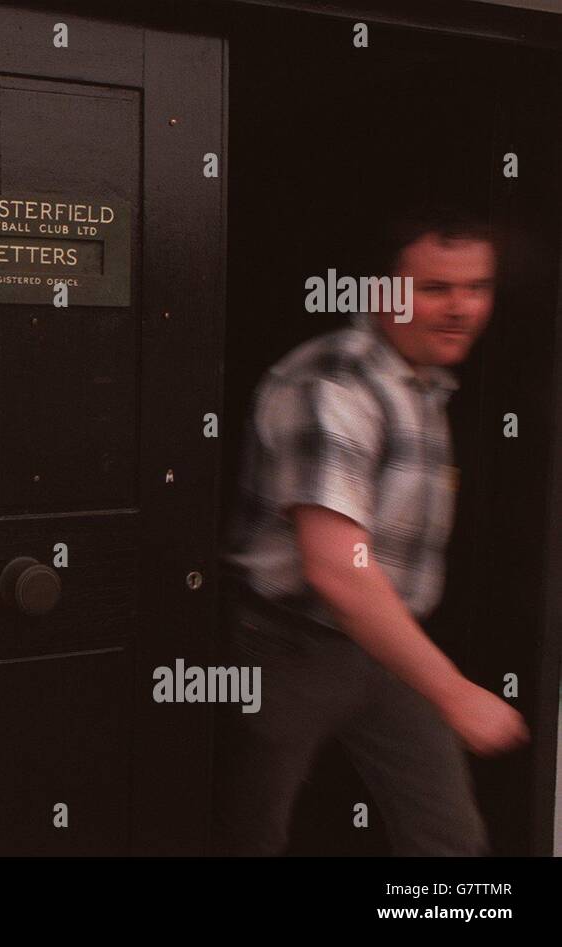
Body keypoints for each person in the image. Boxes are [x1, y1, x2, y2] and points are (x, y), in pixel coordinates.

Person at [211, 206, 529, 856]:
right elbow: (338, 568)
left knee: (449, 842)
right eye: (435, 288)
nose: (461, 308)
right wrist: (455, 692)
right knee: (248, 835)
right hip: (287, 648)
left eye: (476, 287)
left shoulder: (423, 382)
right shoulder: (333, 382)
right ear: (380, 293)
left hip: (387, 649)